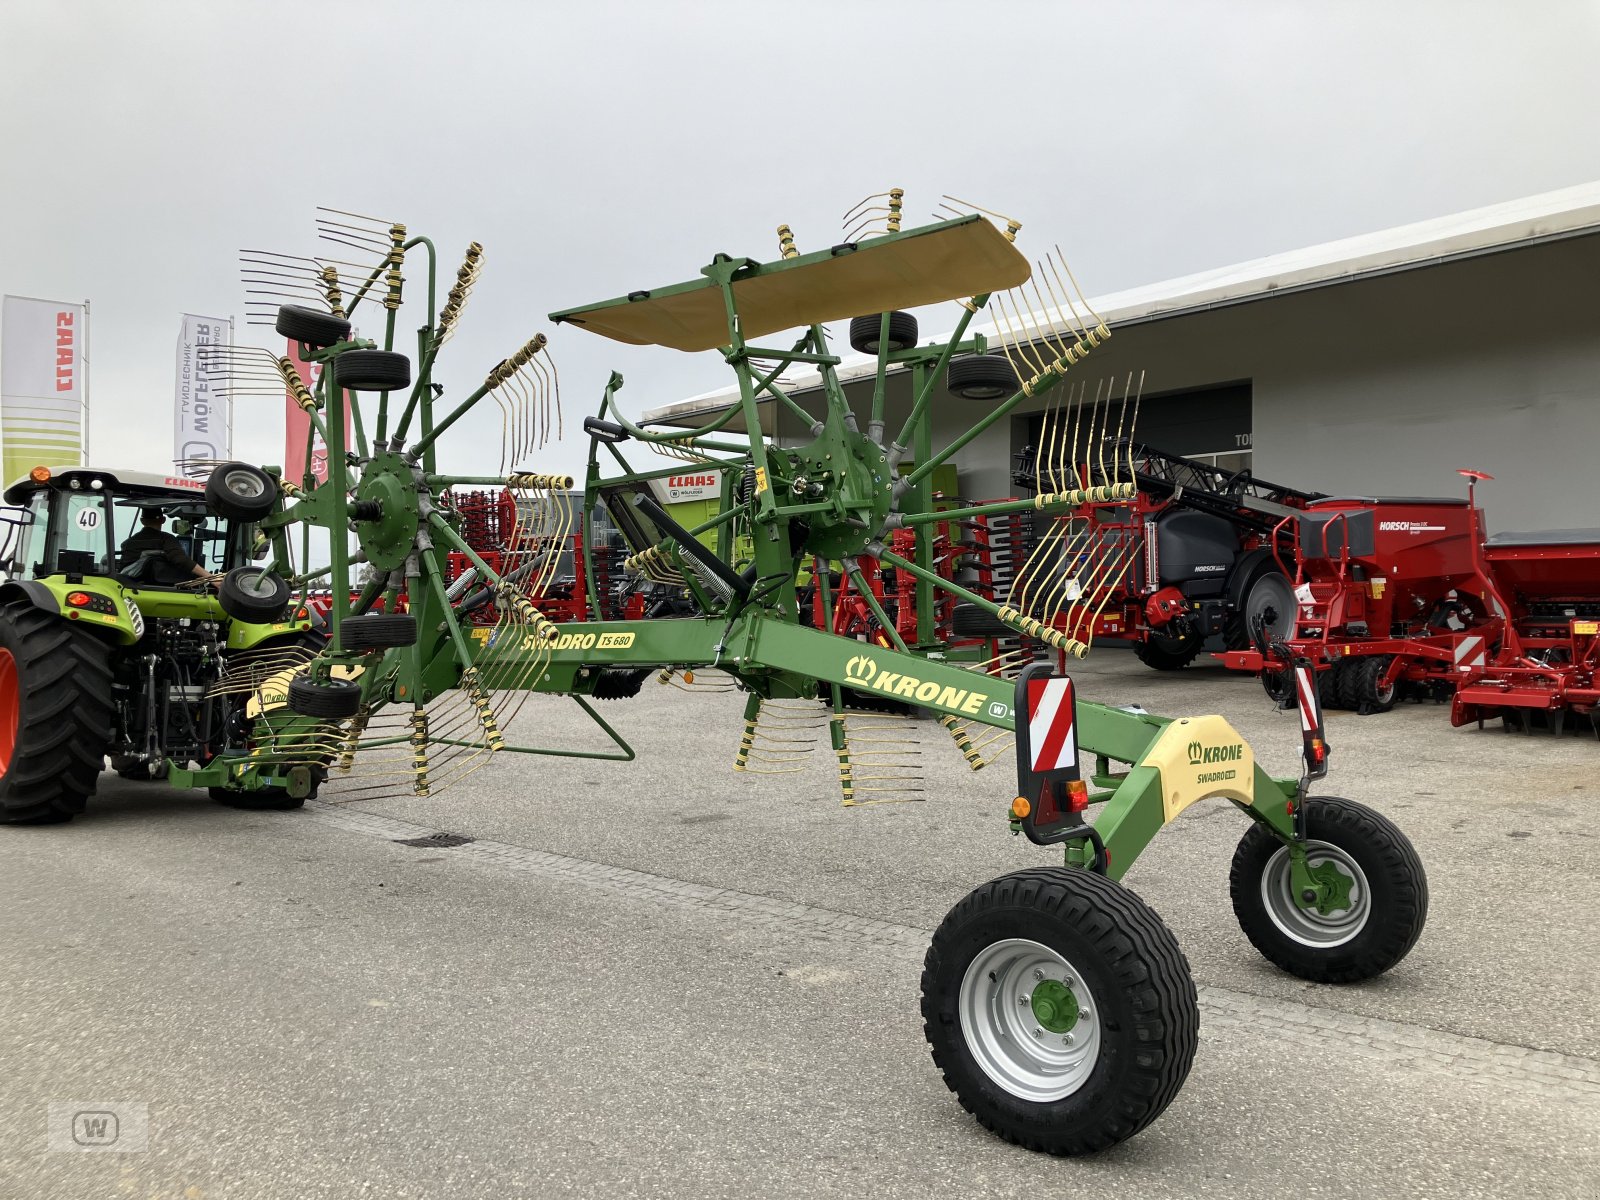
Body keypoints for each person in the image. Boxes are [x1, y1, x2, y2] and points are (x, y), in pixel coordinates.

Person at [117, 507, 213, 583]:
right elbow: (181, 560)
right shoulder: (167, 539)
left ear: (142, 521)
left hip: (130, 588)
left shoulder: (127, 544)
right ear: (163, 520)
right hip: (163, 588)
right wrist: (211, 578)